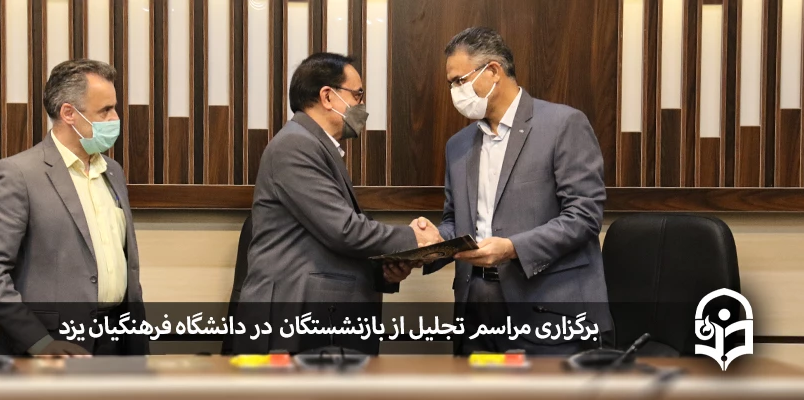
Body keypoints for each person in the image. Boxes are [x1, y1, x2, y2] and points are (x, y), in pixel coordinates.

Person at [413, 27, 613, 355]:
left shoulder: (563, 125)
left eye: (459, 81)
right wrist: (432, 241)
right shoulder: (458, 145)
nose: (454, 92)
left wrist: (512, 248)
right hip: (476, 311)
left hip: (548, 308)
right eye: (451, 84)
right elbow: (456, 222)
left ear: (493, 71)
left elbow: (584, 216)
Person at [234, 53, 440, 355]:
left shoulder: (314, 145)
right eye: (357, 95)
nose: (362, 106)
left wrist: (384, 270)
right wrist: (414, 239)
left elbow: (329, 241)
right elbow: (342, 230)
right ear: (328, 96)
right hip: (294, 316)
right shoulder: (296, 145)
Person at [0, 59, 147, 356]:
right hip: (53, 347)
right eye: (105, 110)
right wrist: (40, 343)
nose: (115, 118)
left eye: (114, 108)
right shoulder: (18, 174)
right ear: (69, 113)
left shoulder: (113, 171)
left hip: (118, 341)